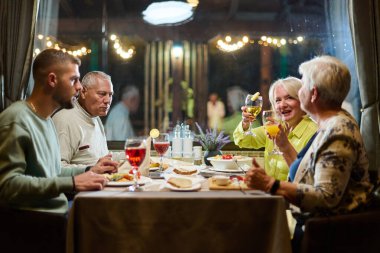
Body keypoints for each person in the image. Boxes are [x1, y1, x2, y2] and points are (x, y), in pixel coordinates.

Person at [244, 56, 373, 252]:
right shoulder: (330, 124)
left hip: (326, 235)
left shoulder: (338, 131)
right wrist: (284, 147)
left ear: (313, 94)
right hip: (316, 227)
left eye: (302, 85)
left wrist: (271, 184)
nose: (298, 90)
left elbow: (325, 197)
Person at [0, 49, 118, 214]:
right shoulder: (16, 119)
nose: (79, 88)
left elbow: (53, 172)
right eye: (73, 80)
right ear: (52, 80)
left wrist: (88, 171)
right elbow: (7, 186)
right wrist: (72, 183)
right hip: (36, 221)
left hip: (58, 211)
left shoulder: (46, 120)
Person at [233, 77, 318, 181]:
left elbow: (307, 177)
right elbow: (242, 140)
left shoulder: (314, 133)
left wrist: (284, 145)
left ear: (303, 101)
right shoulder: (274, 127)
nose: (282, 105)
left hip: (292, 195)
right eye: (277, 100)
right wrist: (245, 123)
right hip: (269, 193)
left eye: (289, 98)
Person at [53, 71, 113, 169]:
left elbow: (102, 158)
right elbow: (56, 167)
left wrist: (131, 155)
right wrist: (90, 170)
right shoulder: (65, 120)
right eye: (102, 94)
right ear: (83, 92)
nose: (107, 100)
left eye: (110, 95)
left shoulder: (95, 117)